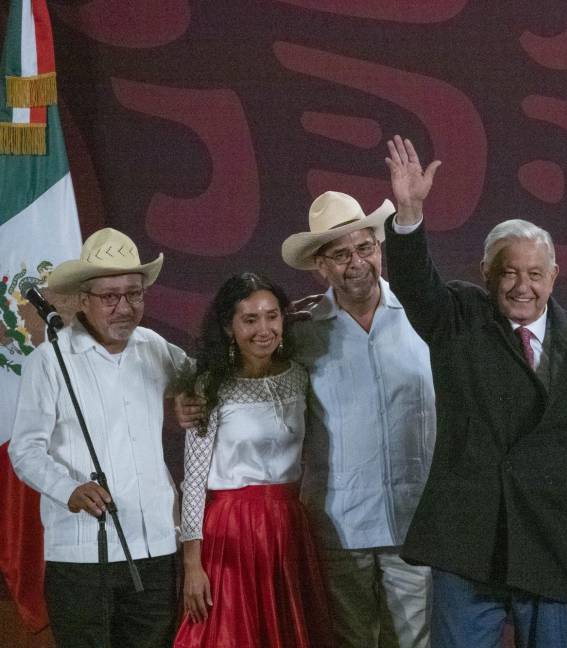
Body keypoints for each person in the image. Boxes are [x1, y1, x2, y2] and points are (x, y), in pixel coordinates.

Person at [382, 134, 567, 647]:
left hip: (549, 539)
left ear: (554, 276)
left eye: (535, 273)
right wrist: (409, 212)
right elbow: (416, 284)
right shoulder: (460, 316)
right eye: (508, 272)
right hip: (469, 539)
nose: (522, 286)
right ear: (487, 273)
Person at [9, 227, 187, 648]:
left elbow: (203, 382)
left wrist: (191, 398)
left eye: (134, 294)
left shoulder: (155, 347)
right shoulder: (49, 361)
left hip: (156, 547)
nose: (124, 307)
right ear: (83, 299)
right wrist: (67, 488)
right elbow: (26, 449)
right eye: (110, 296)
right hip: (82, 554)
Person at [282, 191, 436, 647]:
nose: (356, 262)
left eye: (364, 248)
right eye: (340, 254)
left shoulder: (425, 314)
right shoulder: (300, 333)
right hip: (339, 527)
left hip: (416, 523)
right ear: (320, 266)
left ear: (380, 248)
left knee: (417, 643)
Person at [172, 272, 334, 648]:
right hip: (230, 534)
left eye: (272, 316)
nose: (264, 329)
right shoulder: (208, 387)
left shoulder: (299, 376)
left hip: (288, 527)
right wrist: (192, 564)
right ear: (229, 328)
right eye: (250, 319)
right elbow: (193, 482)